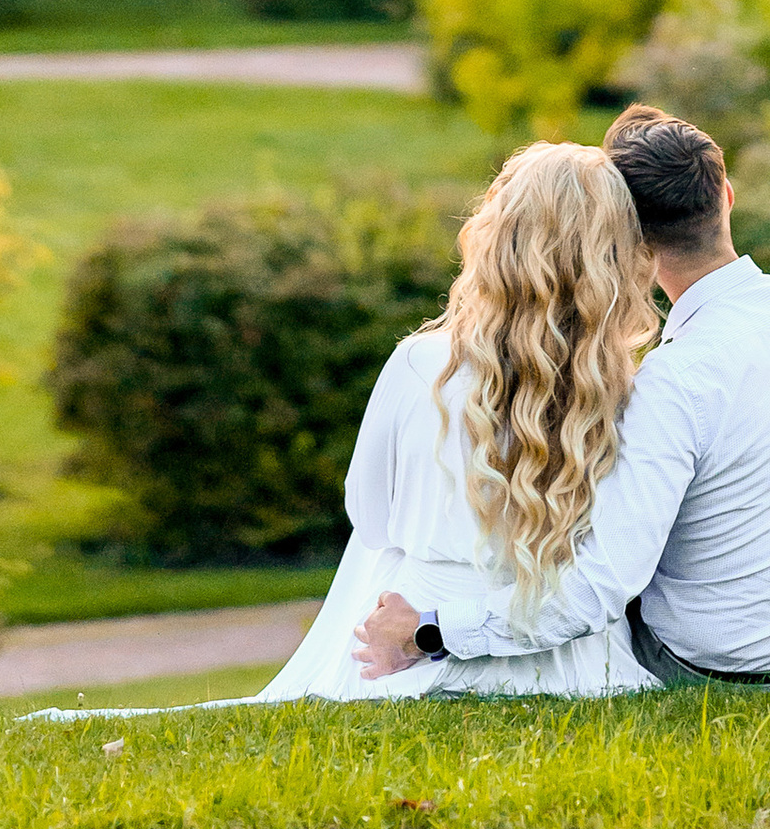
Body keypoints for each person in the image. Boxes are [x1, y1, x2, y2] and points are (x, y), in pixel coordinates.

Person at [354, 103, 770, 693]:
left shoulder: (674, 380)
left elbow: (597, 590)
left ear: (626, 238)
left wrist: (427, 629)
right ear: (727, 196)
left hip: (726, 674)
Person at [255, 135, 666, 701]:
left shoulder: (420, 364)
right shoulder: (629, 390)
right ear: (617, 259)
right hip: (573, 654)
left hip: (416, 631)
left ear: (495, 239)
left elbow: (369, 520)